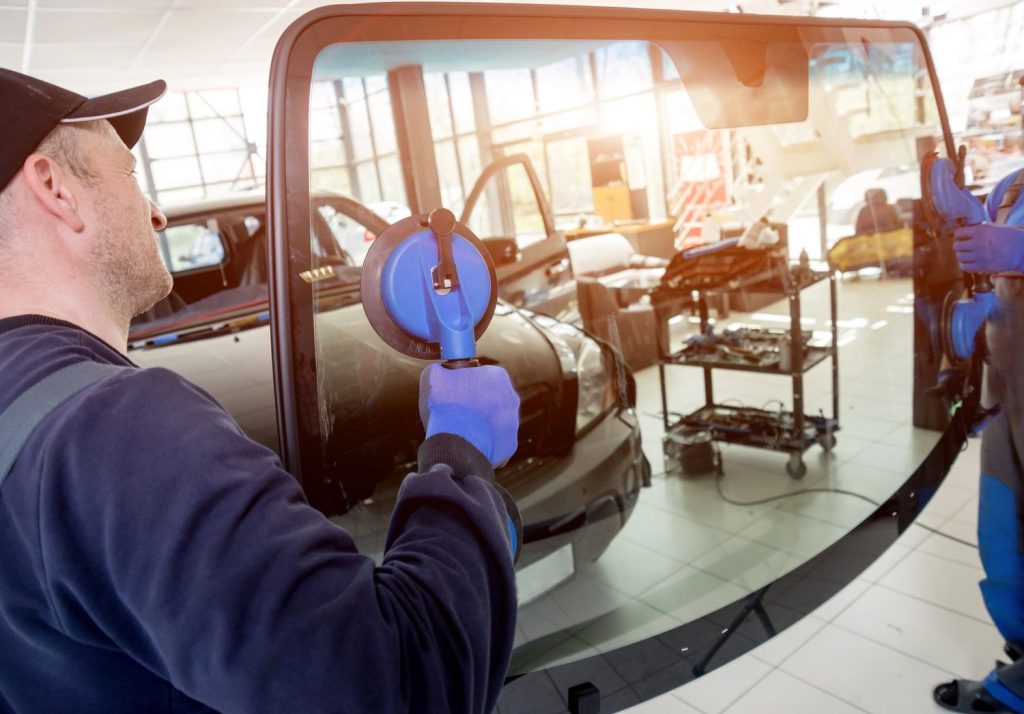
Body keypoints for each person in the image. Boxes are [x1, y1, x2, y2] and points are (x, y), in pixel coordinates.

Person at [0, 68, 522, 714]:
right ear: (55, 189)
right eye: (130, 176)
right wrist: (461, 457)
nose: (156, 212)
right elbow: (402, 685)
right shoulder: (121, 429)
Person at [934, 165, 1024, 714]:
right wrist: (967, 218)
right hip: (1009, 393)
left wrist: (1016, 251)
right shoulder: (1013, 184)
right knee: (1004, 527)